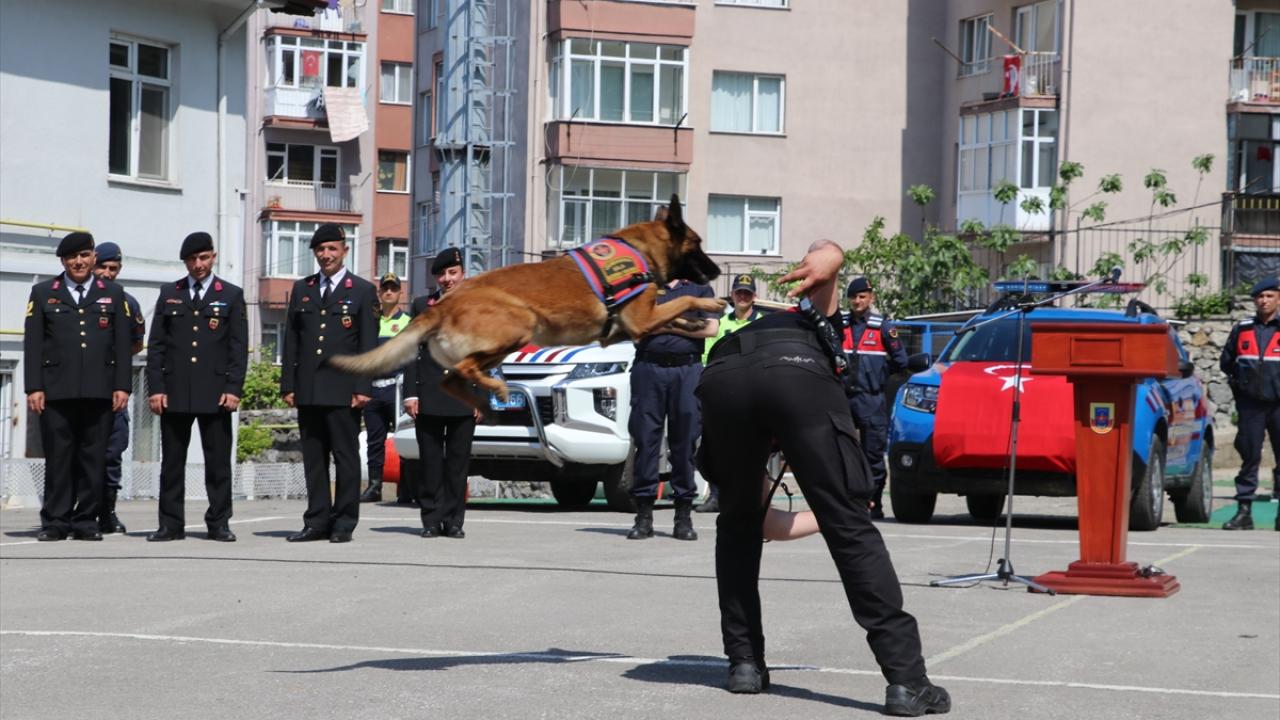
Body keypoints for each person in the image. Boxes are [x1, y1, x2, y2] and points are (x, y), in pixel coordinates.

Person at [697, 240, 950, 716]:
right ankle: (907, 682)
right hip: (794, 370)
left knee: (736, 525)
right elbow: (829, 256)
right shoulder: (819, 325)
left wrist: (823, 511)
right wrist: (840, 510)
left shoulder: (777, 335)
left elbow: (763, 523)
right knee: (852, 531)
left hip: (723, 376)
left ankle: (744, 664)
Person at [24, 232, 132, 541]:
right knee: (59, 459)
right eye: (72, 257)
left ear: (93, 257)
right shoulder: (44, 293)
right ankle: (55, 522)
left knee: (93, 459)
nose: (79, 262)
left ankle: (86, 521)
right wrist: (34, 387)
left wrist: (122, 386)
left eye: (84, 255)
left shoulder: (114, 293)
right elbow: (33, 343)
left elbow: (122, 344)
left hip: (100, 391)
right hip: (56, 391)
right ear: (63, 261)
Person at [144, 232, 248, 542]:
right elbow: (157, 346)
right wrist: (156, 388)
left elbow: (237, 347)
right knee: (172, 463)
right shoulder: (170, 293)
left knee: (218, 463)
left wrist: (233, 388)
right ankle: (170, 524)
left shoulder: (230, 295)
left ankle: (219, 522)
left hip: (215, 392)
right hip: (174, 391)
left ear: (213, 256)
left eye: (203, 258)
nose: (198, 265)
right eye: (192, 260)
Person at [280, 224, 378, 543]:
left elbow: (367, 343)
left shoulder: (361, 290)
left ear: (344, 251)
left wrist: (363, 387)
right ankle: (317, 521)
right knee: (314, 458)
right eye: (320, 250)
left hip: (343, 390)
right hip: (308, 389)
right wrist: (288, 384)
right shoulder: (302, 288)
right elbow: (292, 341)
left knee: (345, 457)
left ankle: (344, 523)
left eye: (332, 249)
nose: (326, 255)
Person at [627, 278, 719, 541]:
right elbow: (634, 327)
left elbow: (711, 328)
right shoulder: (643, 285)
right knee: (646, 441)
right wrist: (686, 324)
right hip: (649, 369)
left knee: (684, 443)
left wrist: (662, 323)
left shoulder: (699, 288)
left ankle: (683, 516)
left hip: (686, 370)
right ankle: (643, 516)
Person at [403, 248, 482, 539]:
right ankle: (431, 520)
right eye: (442, 274)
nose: (447, 279)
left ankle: (454, 521)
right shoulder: (422, 305)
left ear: (463, 274)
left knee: (458, 464)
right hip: (430, 393)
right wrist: (410, 393)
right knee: (431, 462)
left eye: (453, 273)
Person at [697, 273, 765, 514]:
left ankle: (754, 496)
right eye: (739, 292)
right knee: (718, 446)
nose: (743, 296)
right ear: (732, 295)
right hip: (724, 392)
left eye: (747, 292)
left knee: (752, 448)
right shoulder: (721, 324)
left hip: (753, 392)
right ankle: (717, 496)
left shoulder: (763, 324)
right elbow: (706, 358)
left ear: (754, 296)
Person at [91, 241, 146, 534]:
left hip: (114, 390)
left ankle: (107, 512)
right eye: (103, 267)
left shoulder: (127, 302)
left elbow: (137, 343)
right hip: (84, 388)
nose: (108, 273)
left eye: (113, 268)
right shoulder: (79, 298)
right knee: (79, 453)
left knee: (112, 452)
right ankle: (77, 511)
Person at [842, 276, 908, 519]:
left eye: (862, 296)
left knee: (873, 455)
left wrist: (879, 376)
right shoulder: (841, 325)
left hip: (871, 400)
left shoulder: (883, 327)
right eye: (853, 297)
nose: (857, 301)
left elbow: (901, 362)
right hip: (844, 399)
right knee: (842, 452)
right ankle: (847, 502)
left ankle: (874, 503)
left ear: (871, 298)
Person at [1219, 277, 1280, 532]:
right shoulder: (1242, 328)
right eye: (1260, 297)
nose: (1264, 301)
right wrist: (1241, 387)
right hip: (1251, 406)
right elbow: (1227, 362)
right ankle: (1244, 512)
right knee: (1249, 456)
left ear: (1278, 299)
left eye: (1269, 296)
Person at [360, 272, 411, 504]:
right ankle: (374, 486)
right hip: (373, 389)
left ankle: (407, 487)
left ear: (400, 293)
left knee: (404, 440)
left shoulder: (407, 322)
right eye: (385, 288)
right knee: (374, 440)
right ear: (379, 293)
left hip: (397, 389)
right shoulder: (371, 321)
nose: (389, 292)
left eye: (393, 288)